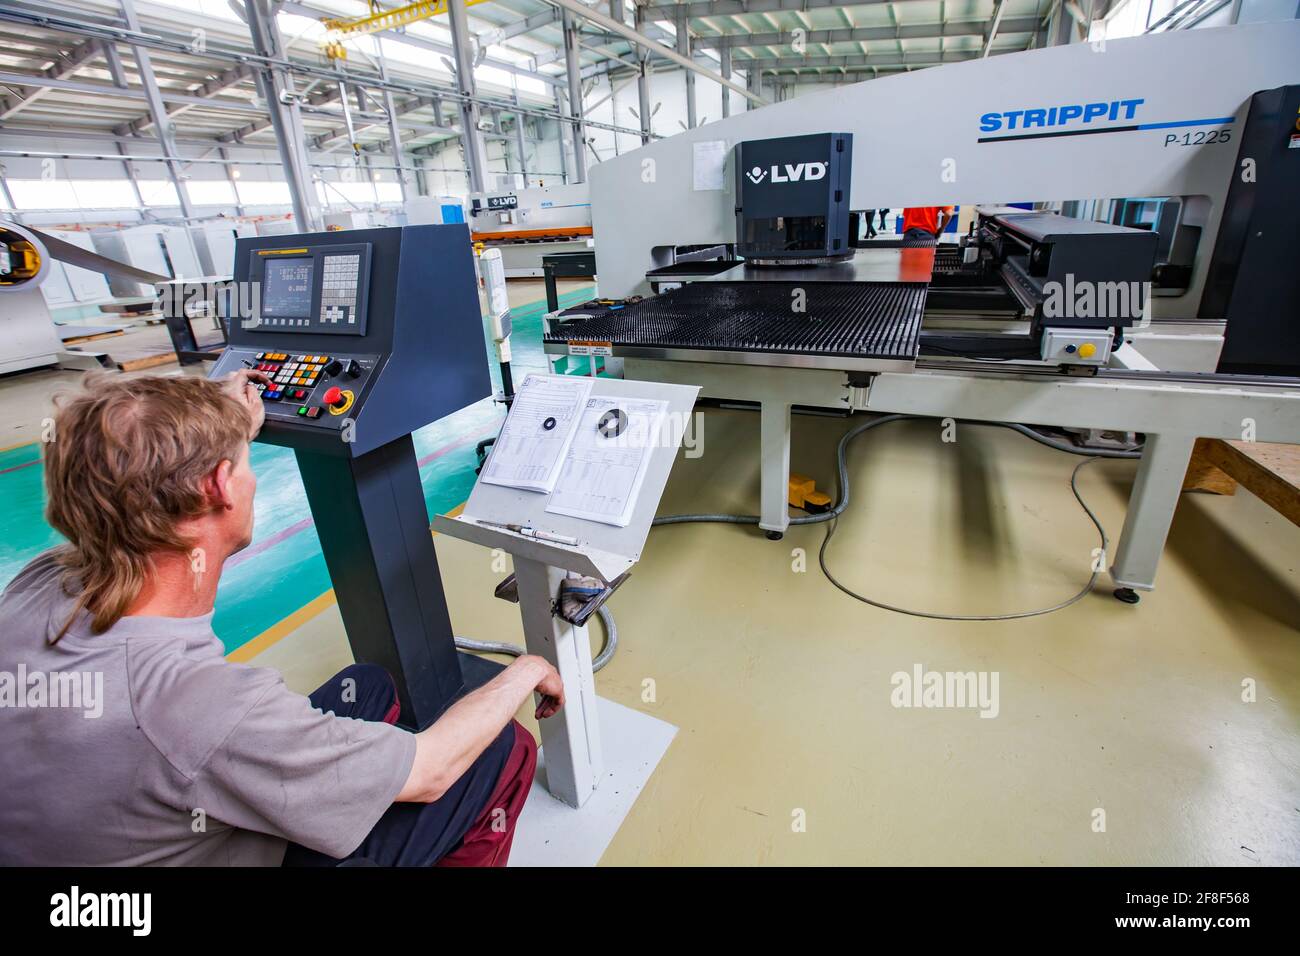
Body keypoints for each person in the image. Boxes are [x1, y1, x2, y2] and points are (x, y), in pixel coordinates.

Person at [0, 371, 564, 867]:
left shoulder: (43, 582)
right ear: (219, 486)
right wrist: (525, 669)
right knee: (503, 750)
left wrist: (214, 430)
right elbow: (432, 770)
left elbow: (137, 482)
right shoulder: (200, 707)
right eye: (241, 464)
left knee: (367, 684)